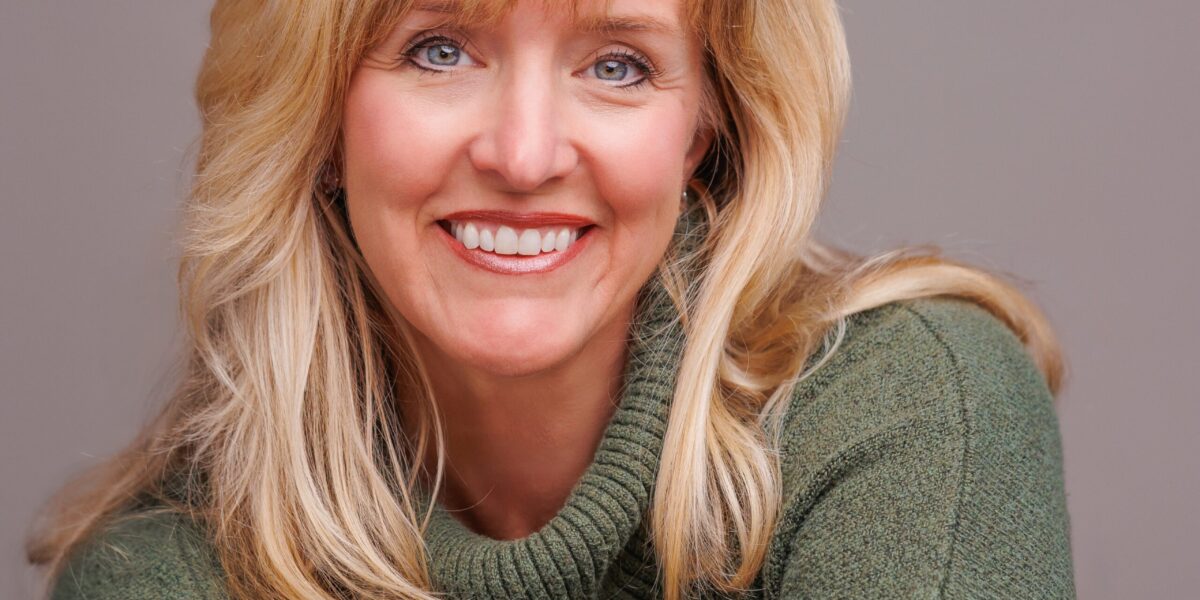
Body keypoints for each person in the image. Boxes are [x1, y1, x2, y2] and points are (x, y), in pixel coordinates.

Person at [27, 0, 1076, 598]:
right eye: (439, 49)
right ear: (319, 120)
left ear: (703, 130)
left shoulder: (910, 416)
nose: (524, 156)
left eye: (618, 66)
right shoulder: (162, 570)